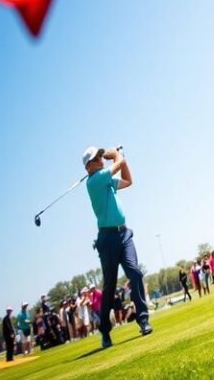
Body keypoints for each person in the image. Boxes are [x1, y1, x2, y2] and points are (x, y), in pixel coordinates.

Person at [82, 145, 152, 349]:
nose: (100, 159)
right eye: (96, 158)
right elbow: (117, 163)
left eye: (100, 157)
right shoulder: (94, 181)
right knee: (110, 287)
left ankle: (143, 320)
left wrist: (123, 160)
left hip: (124, 234)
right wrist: (116, 155)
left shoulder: (104, 180)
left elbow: (128, 181)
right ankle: (105, 331)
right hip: (107, 238)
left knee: (135, 273)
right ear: (88, 167)